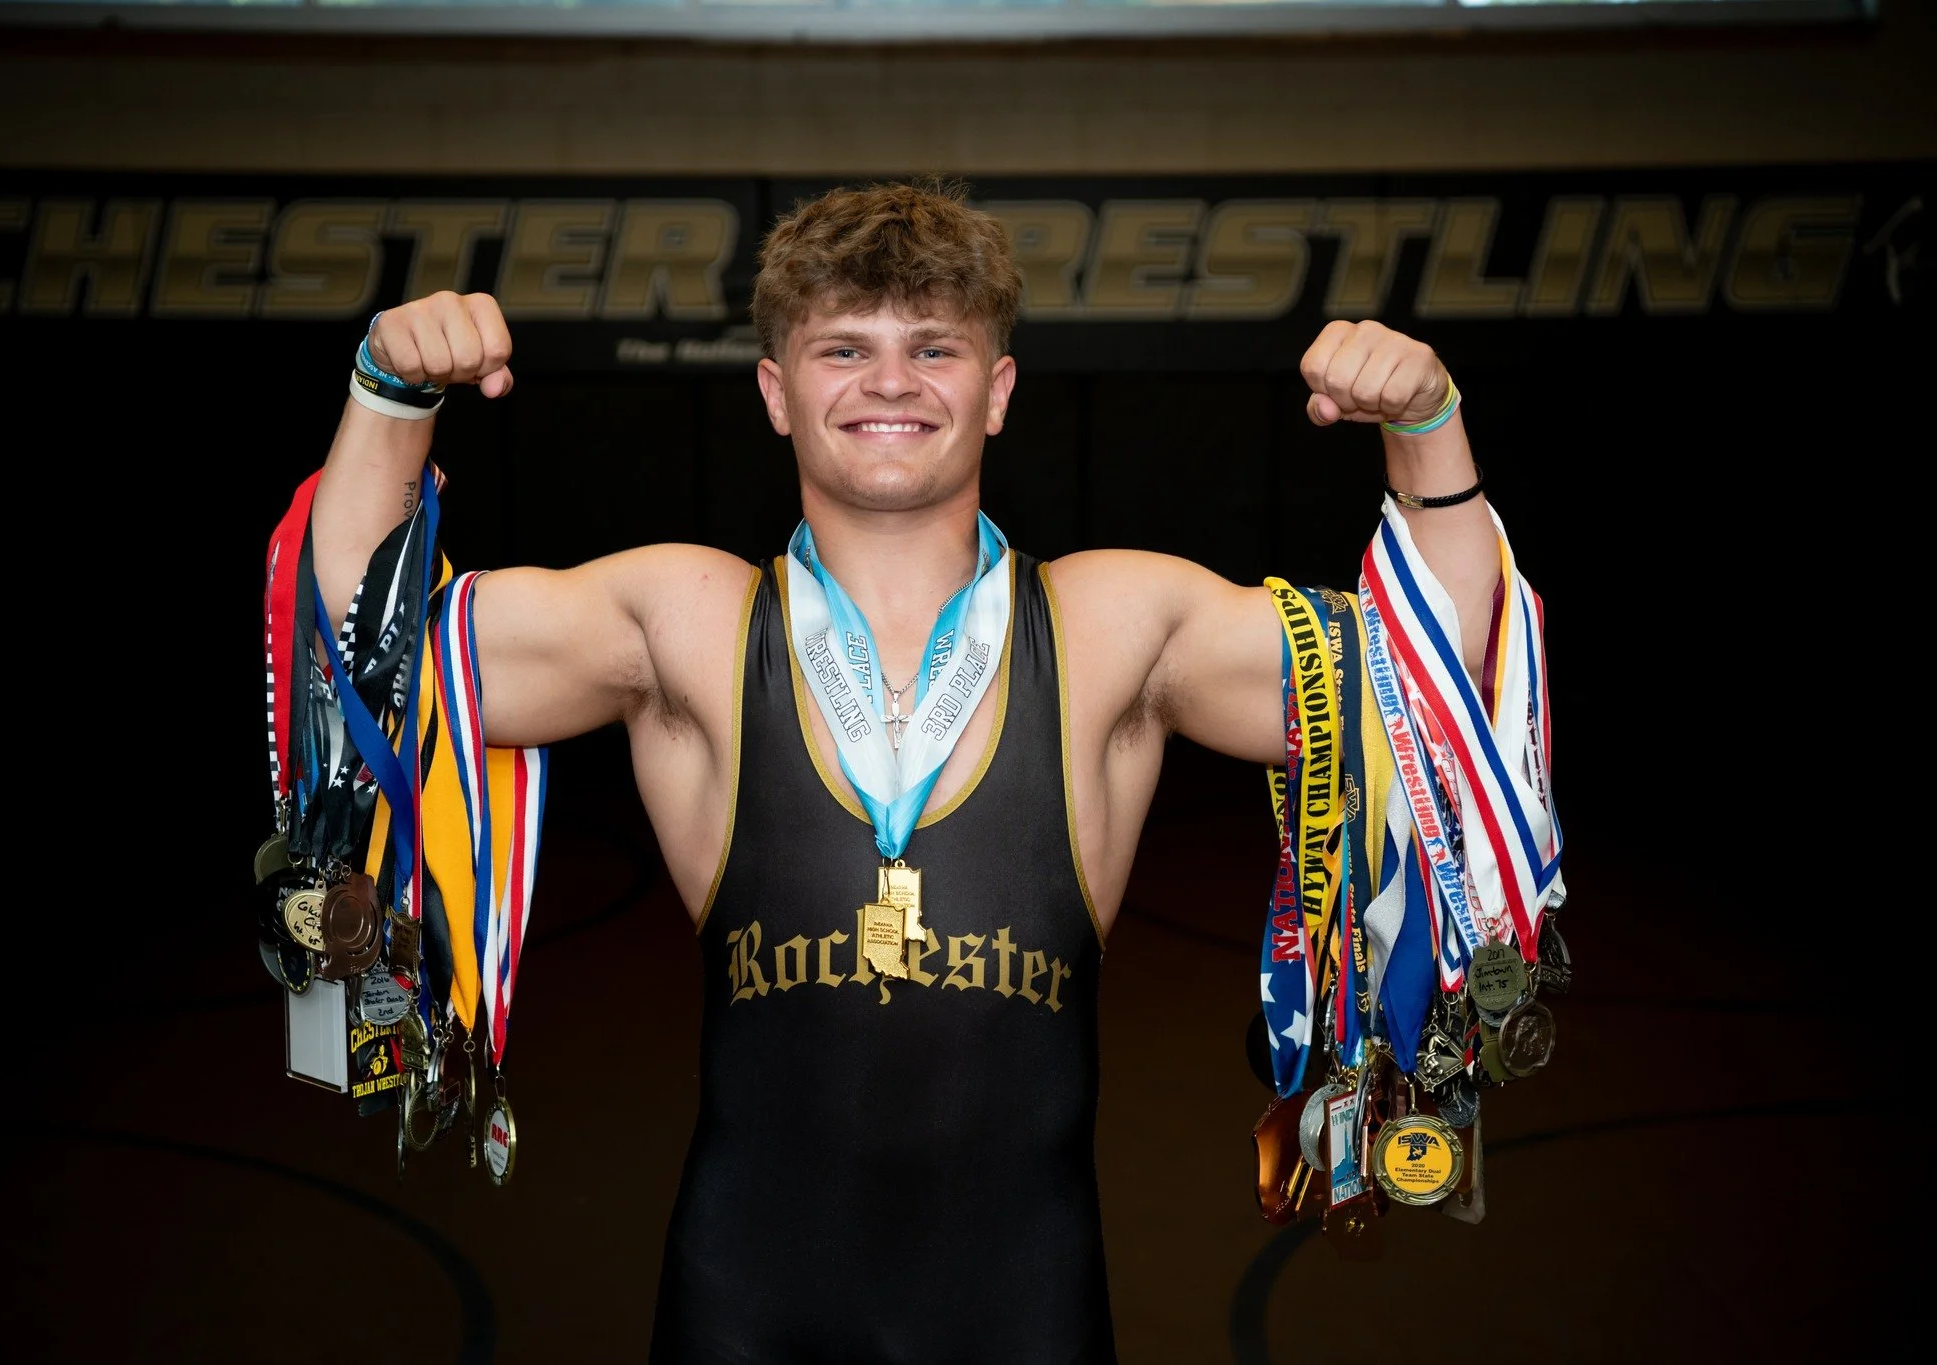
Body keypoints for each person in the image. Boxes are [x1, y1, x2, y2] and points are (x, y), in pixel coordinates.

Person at [307, 179, 1506, 1362]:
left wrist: (1425, 429)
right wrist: (390, 395)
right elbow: (375, 662)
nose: (889, 381)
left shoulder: (1106, 625)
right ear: (776, 394)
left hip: (1024, 1314)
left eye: (934, 347)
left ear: (997, 392)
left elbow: (1429, 686)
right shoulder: (685, 619)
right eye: (843, 349)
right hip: (740, 1315)